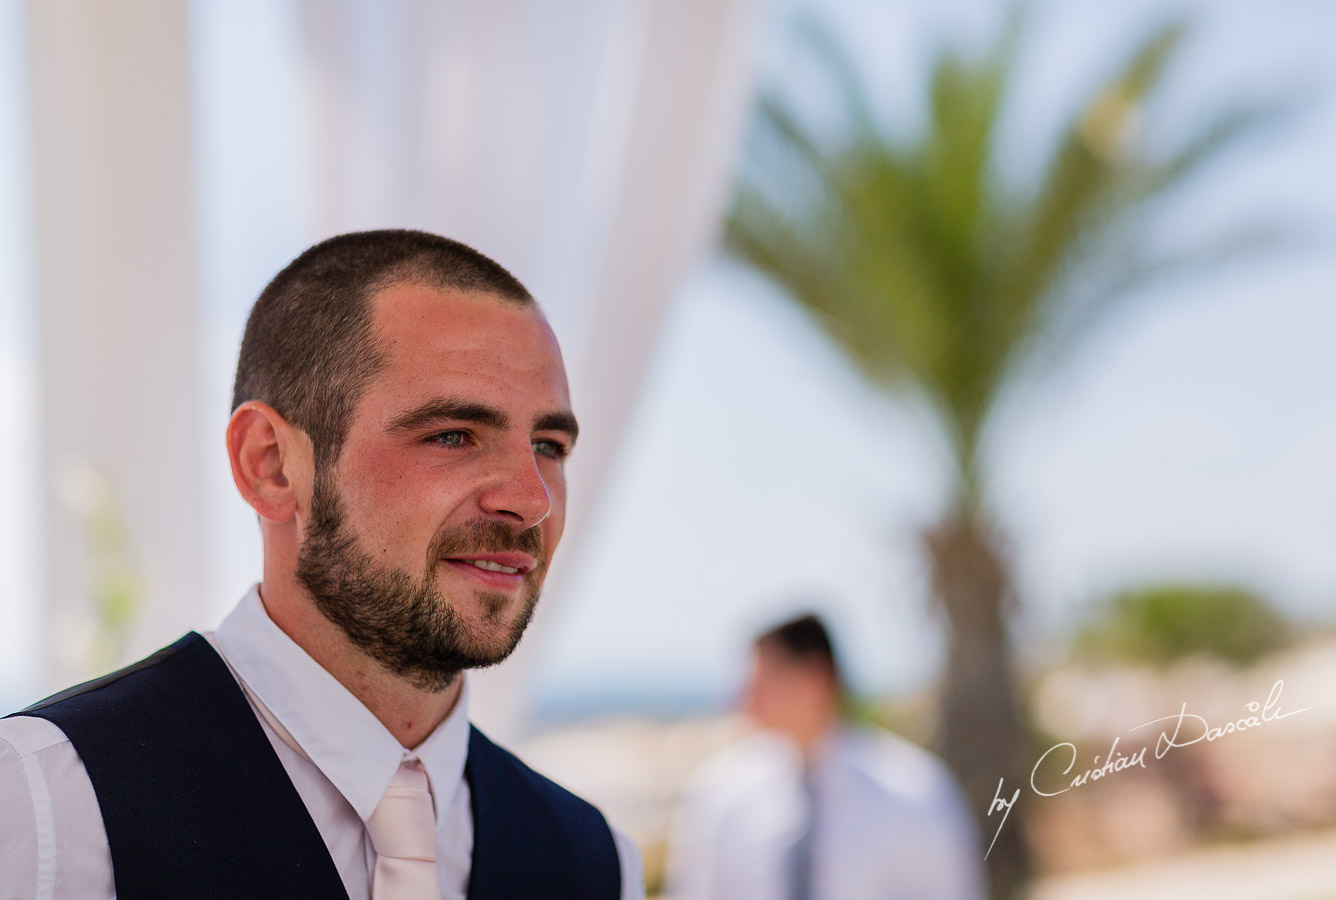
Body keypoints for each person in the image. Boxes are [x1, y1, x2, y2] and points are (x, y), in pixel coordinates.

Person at [0, 229, 643, 899]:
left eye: (548, 445)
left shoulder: (594, 862)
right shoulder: (47, 806)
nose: (531, 501)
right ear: (271, 465)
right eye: (452, 435)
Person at [665, 613, 987, 900]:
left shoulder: (916, 791)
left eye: (762, 684)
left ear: (814, 678)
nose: (745, 702)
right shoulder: (720, 792)